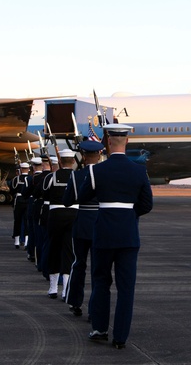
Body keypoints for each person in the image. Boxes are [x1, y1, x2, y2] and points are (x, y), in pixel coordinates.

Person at [76, 124, 153, 349]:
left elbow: (82, 197)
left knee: (101, 282)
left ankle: (99, 329)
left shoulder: (95, 171)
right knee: (126, 287)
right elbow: (147, 204)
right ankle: (120, 337)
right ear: (126, 141)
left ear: (108, 142)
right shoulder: (139, 171)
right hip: (128, 235)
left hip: (103, 233)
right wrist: (128, 214)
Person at [62, 139, 105, 317]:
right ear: (99, 155)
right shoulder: (105, 174)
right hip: (100, 224)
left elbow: (67, 201)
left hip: (81, 225)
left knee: (78, 264)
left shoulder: (76, 175)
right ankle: (96, 307)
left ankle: (75, 302)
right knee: (98, 268)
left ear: (84, 156)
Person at [42, 148, 78, 300]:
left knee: (54, 248)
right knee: (69, 251)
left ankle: (53, 287)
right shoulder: (78, 176)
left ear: (61, 161)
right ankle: (66, 290)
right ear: (74, 161)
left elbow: (44, 194)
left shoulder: (51, 177)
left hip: (56, 214)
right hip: (74, 214)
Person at [9, 161, 32, 248]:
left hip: (18, 200)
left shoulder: (16, 179)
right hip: (27, 200)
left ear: (21, 169)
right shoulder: (30, 178)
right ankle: (26, 241)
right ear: (28, 169)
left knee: (17, 220)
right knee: (27, 221)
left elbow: (12, 190)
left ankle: (17, 241)